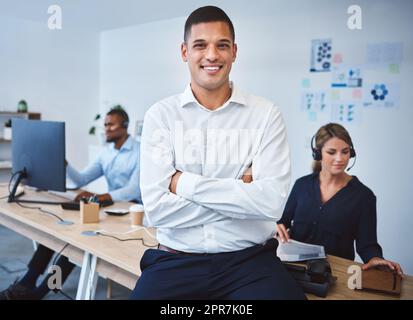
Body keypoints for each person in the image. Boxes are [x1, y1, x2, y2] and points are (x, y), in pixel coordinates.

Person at [131, 6, 305, 300]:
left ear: (234, 52)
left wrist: (181, 183)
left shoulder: (265, 115)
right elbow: (157, 210)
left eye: (221, 45)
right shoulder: (160, 116)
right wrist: (240, 190)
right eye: (200, 45)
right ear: (185, 51)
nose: (211, 55)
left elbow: (271, 204)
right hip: (176, 260)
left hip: (250, 263)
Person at [0, 107, 142, 300]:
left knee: (76, 246)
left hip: (132, 212)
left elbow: (133, 190)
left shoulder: (139, 151)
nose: (106, 129)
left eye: (111, 124)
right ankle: (28, 281)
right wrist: (62, 162)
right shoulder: (106, 153)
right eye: (105, 124)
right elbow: (81, 179)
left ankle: (41, 292)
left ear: (124, 127)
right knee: (57, 234)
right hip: (109, 208)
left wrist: (100, 197)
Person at [276, 123, 403, 276]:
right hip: (292, 268)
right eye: (331, 152)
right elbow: (282, 221)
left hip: (334, 274)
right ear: (317, 154)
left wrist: (375, 258)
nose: (340, 159)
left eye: (345, 152)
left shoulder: (363, 196)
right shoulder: (301, 185)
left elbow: (367, 244)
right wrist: (276, 226)